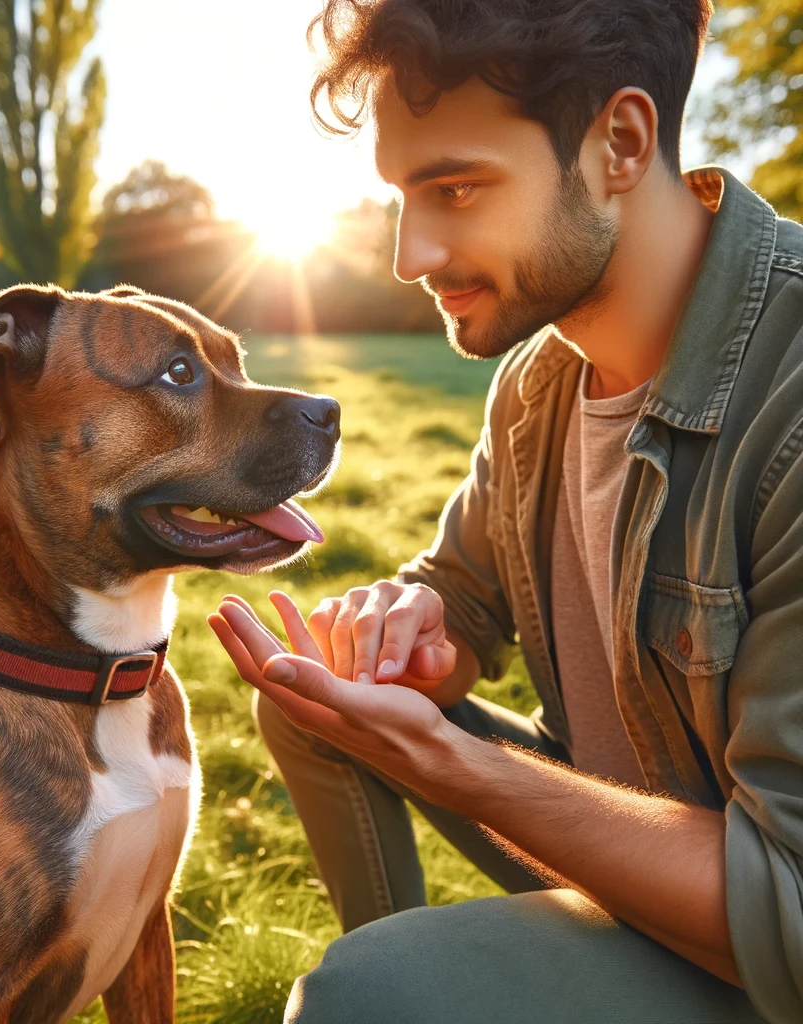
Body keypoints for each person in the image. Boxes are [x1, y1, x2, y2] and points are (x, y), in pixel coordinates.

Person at [208, 1, 803, 1022]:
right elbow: (461, 598)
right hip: (647, 863)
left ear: (619, 143)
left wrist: (452, 762)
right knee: (318, 696)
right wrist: (411, 633)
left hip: (767, 947)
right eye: (402, 193)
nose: (410, 252)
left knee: (368, 994)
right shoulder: (539, 382)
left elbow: (789, 907)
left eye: (456, 187)